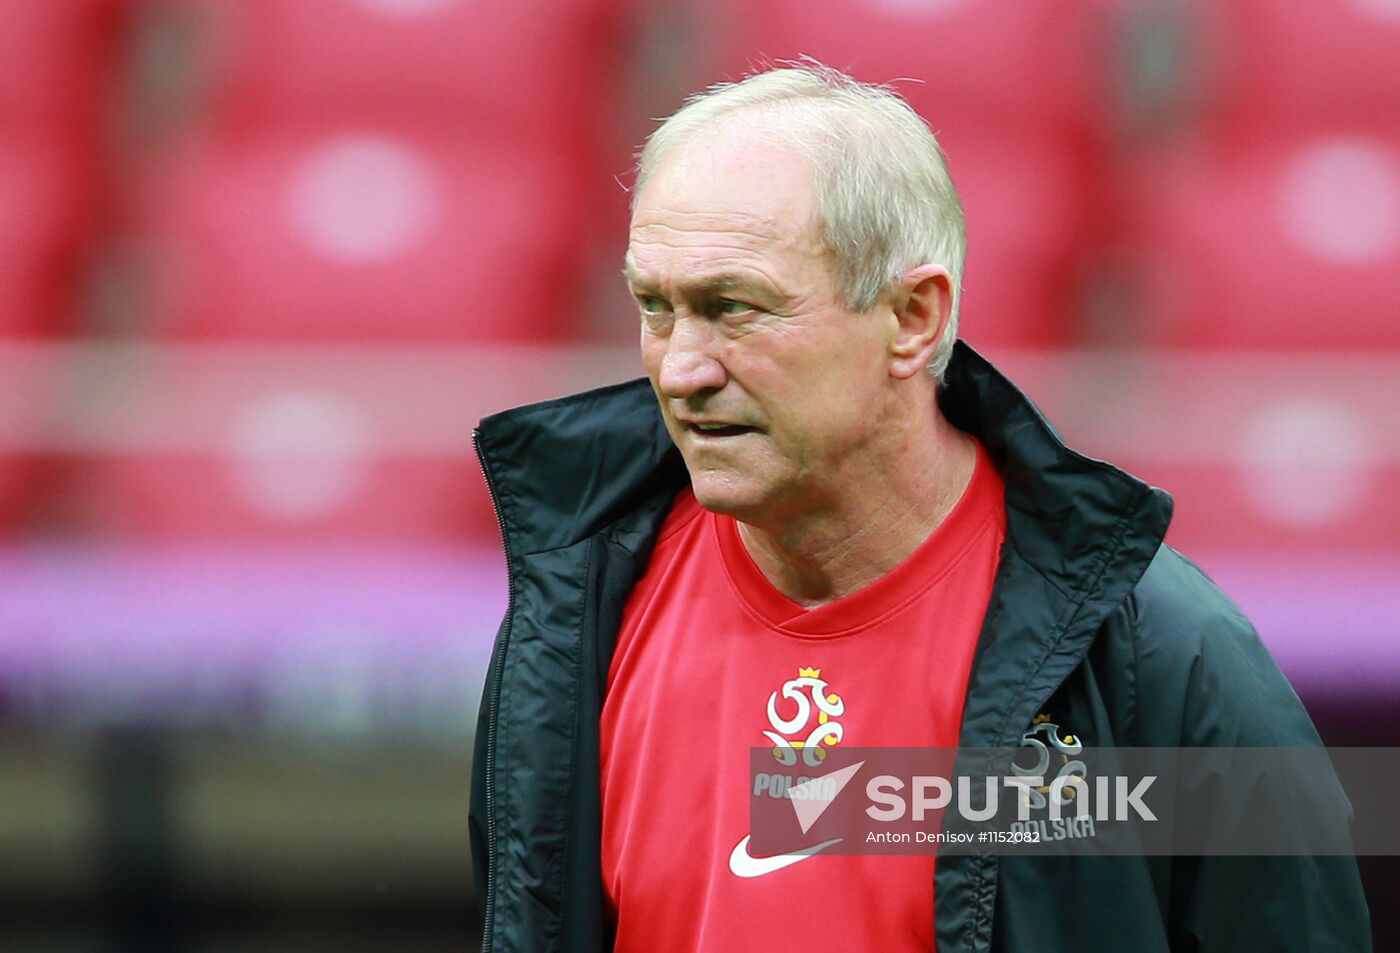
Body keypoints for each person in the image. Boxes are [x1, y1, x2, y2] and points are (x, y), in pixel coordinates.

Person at [469, 64, 1371, 952]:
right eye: (656, 307)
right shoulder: (576, 622)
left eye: (733, 307)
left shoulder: (1159, 655)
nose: (680, 368)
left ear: (913, 316)